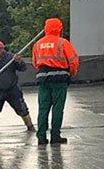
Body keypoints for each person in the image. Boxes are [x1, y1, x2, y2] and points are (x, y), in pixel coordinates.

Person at [32, 17, 80, 145]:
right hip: (59, 78)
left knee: (43, 108)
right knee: (57, 108)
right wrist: (72, 73)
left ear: (46, 28)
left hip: (43, 78)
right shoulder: (63, 43)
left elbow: (35, 62)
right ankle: (55, 136)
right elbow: (73, 61)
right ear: (60, 29)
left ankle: (41, 137)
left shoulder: (38, 44)